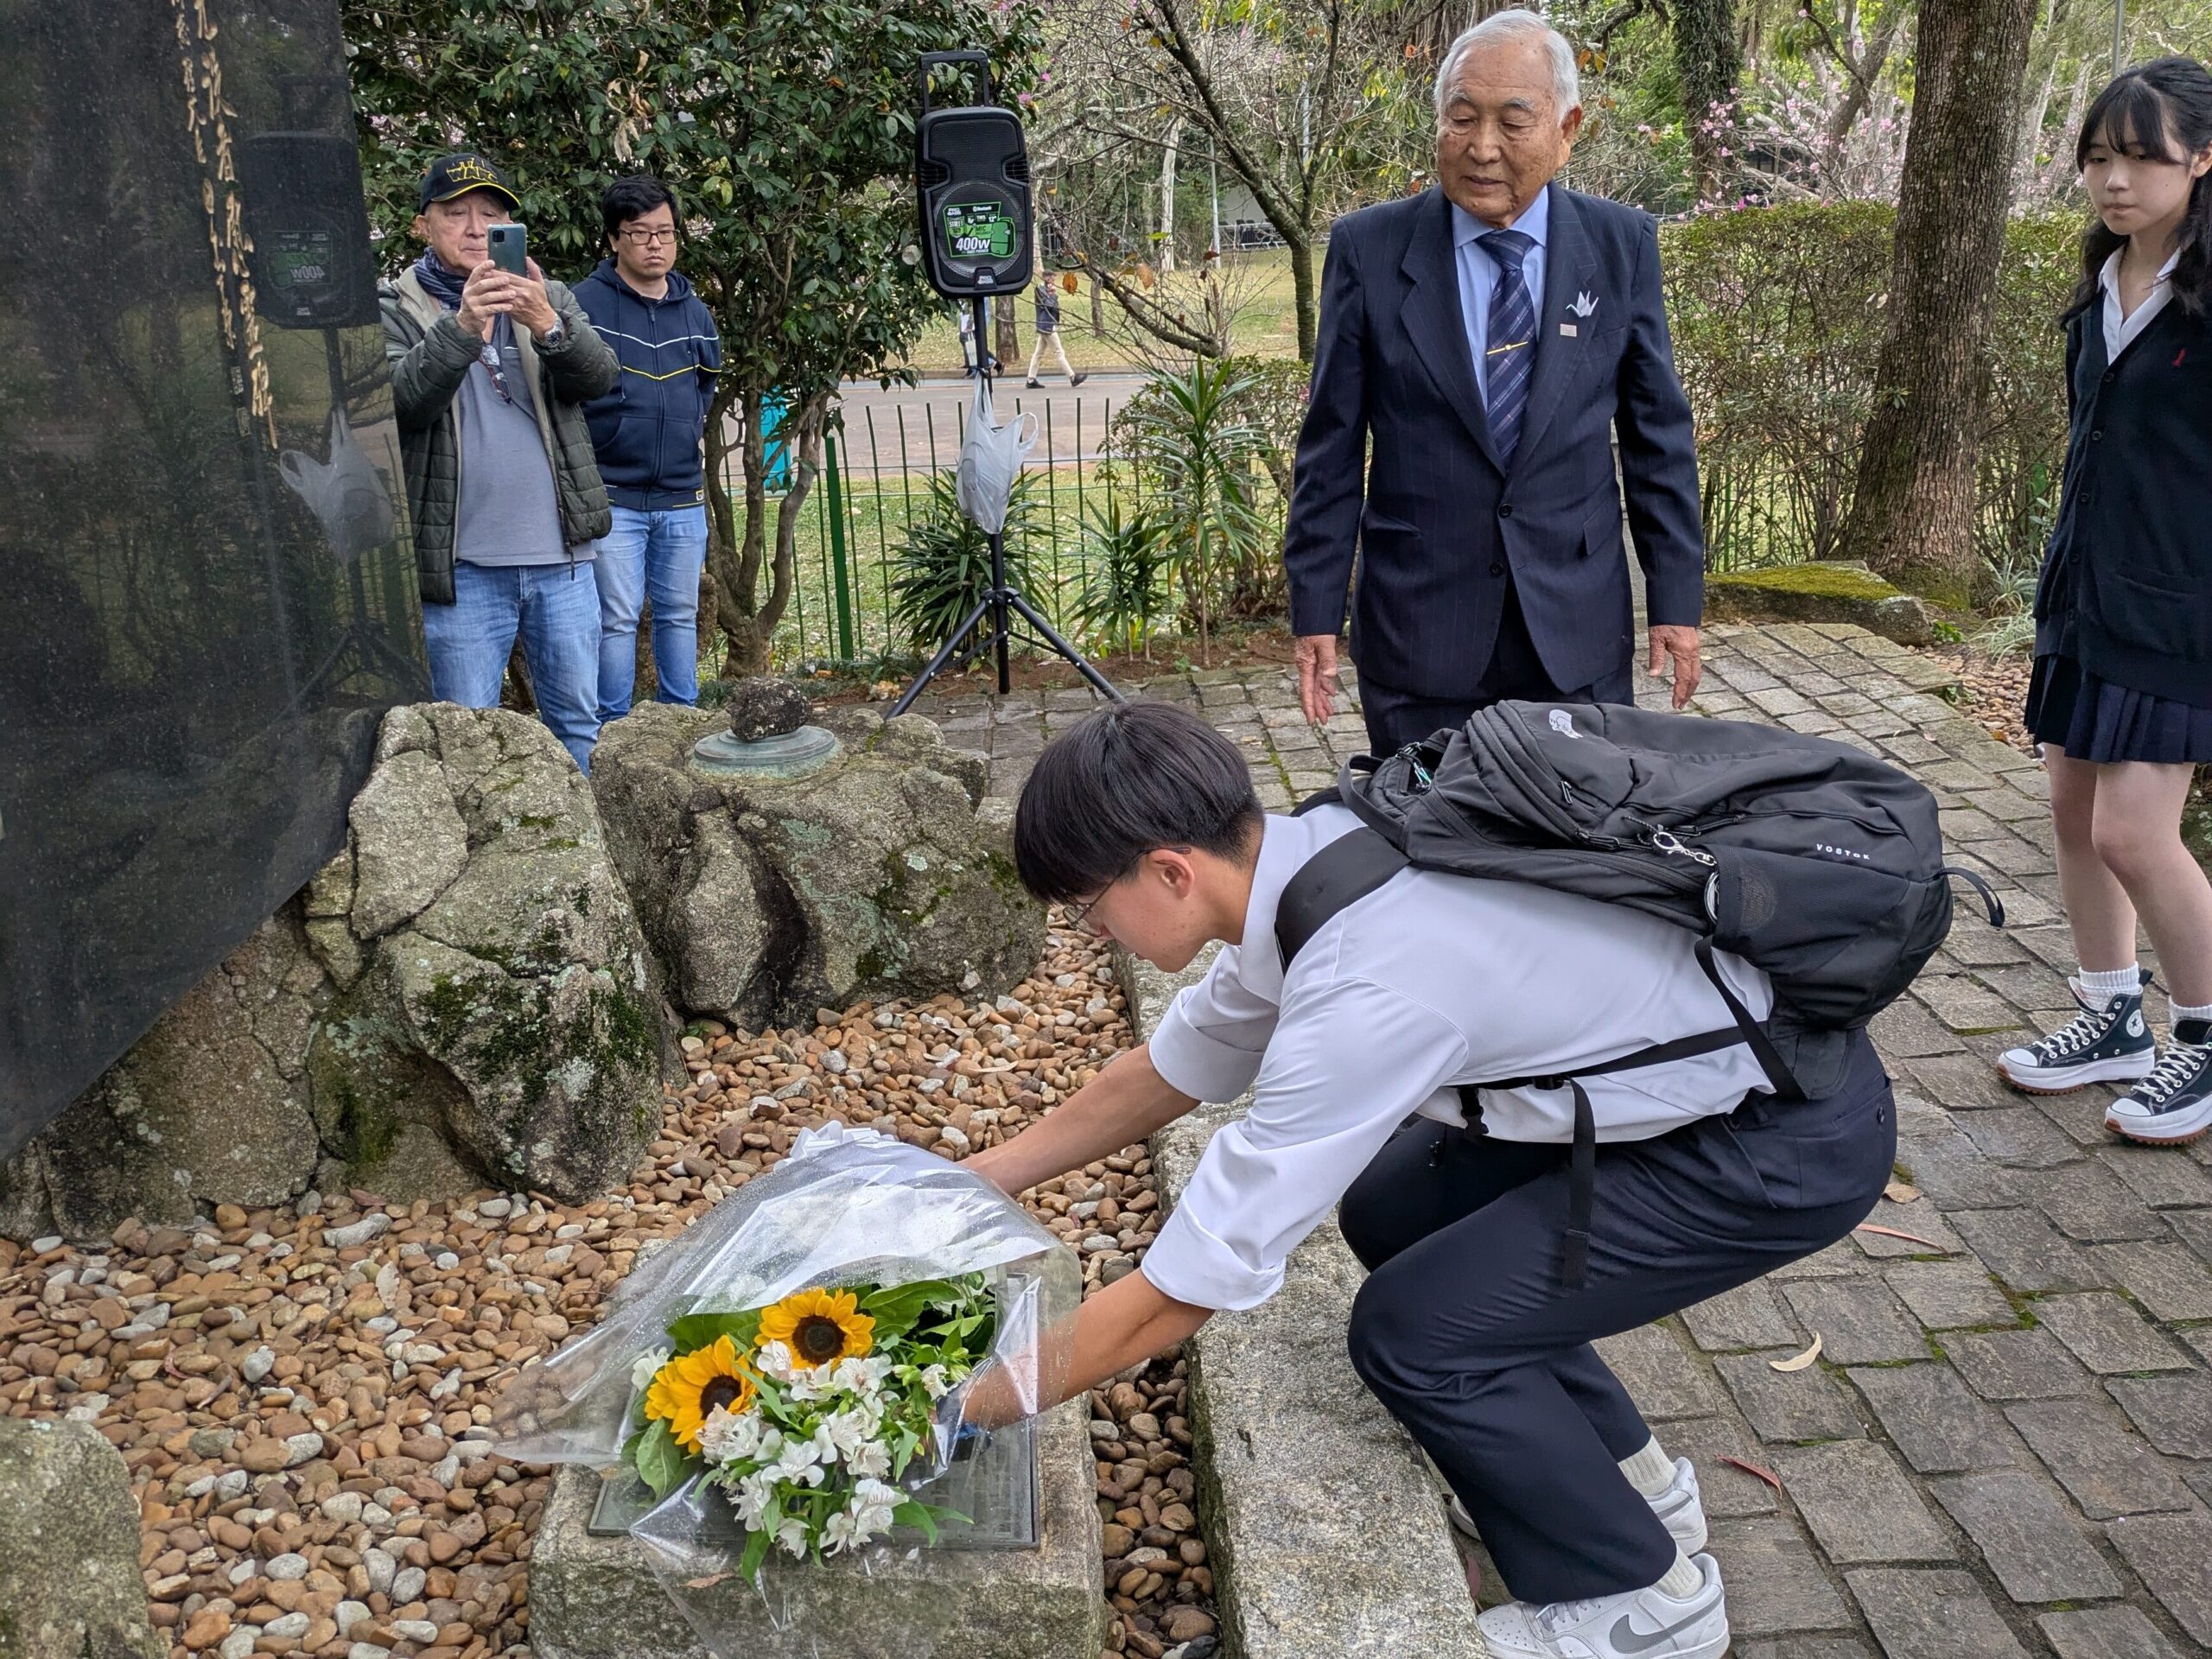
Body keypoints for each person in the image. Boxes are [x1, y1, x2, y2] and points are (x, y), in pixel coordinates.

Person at [967, 700, 1897, 1659]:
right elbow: (1171, 1069)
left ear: (1171, 870)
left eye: (1089, 906)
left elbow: (1180, 1293)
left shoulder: (1364, 983)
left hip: (1771, 1146)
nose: (1092, 932)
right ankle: (1630, 1484)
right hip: (1701, 1088)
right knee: (1395, 1208)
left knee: (1413, 1335)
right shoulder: (1314, 856)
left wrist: (961, 1412)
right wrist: (975, 1179)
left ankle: (1643, 1604)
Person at [1284, 12, 1706, 755]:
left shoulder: (1621, 247)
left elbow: (1657, 439)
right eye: (1461, 118)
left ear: (1567, 129)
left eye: (1513, 122)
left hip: (1575, 632)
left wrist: (1675, 600)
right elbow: (1331, 448)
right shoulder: (1368, 250)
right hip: (1421, 630)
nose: (1482, 147)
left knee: (1579, 824)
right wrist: (1316, 610)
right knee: (1426, 822)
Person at [1995, 57, 2212, 1145]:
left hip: (2183, 610)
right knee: (2073, 811)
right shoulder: (2102, 284)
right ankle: (2111, 1017)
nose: (2113, 180)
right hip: (2084, 593)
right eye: (2095, 158)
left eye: (2139, 157)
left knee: (2133, 832)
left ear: (2202, 158)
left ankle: (2205, 1038)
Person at [380, 152, 619, 772]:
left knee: (577, 725)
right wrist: (464, 325)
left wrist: (546, 324)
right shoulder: (394, 308)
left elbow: (599, 379)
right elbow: (400, 404)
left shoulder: (549, 296)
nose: (474, 228)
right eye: (454, 213)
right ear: (422, 225)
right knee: (465, 738)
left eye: (490, 214)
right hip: (461, 571)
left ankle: (584, 832)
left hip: (562, 562)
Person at [575, 175, 722, 722]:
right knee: (615, 619)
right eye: (640, 233)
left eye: (665, 232)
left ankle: (682, 721)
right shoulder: (584, 305)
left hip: (682, 495)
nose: (655, 244)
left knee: (680, 613)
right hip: (613, 496)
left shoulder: (695, 311)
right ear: (615, 238)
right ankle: (610, 731)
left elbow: (704, 389)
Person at [1024, 277, 1087, 388]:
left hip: (1047, 325)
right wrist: (1053, 294)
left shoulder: (1045, 291)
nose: (1054, 283)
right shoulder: (1041, 291)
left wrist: (1052, 294)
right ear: (1047, 281)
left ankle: (1031, 379)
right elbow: (1049, 306)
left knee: (1038, 354)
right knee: (1059, 352)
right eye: (1052, 281)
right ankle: (1073, 377)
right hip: (1047, 326)